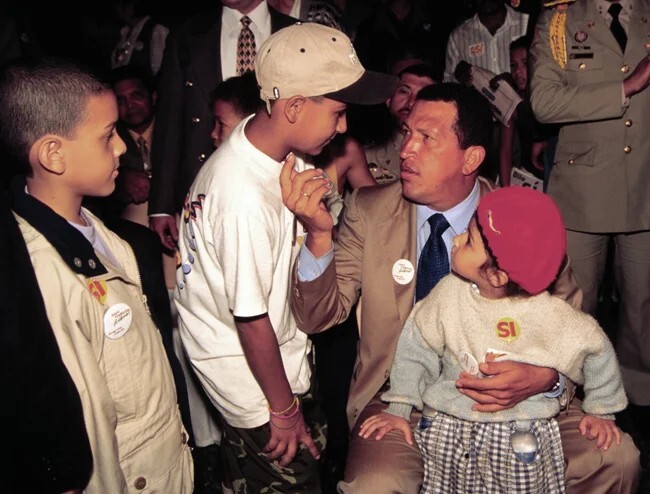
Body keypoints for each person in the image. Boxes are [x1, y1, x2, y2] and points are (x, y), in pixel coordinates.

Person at [281, 82, 640, 493]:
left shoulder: (520, 220)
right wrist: (318, 237)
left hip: (522, 402)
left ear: (471, 158)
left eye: (427, 137)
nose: (406, 149)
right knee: (376, 483)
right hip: (404, 396)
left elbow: (574, 325)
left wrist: (546, 378)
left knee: (617, 460)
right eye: (407, 132)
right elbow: (317, 317)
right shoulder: (369, 210)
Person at [174, 22, 397, 492]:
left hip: (279, 360)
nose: (343, 127)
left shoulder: (272, 148)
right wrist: (282, 409)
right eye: (338, 113)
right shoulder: (243, 198)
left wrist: (318, 231)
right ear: (293, 107)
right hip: (255, 386)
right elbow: (251, 319)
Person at [0, 58, 194, 493]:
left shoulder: (101, 232)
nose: (122, 147)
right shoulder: (43, 277)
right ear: (53, 154)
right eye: (107, 135)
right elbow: (84, 428)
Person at [360, 186, 627, 493]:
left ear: (498, 276)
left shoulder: (549, 314)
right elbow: (416, 348)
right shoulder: (448, 294)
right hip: (449, 433)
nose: (456, 239)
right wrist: (400, 407)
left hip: (520, 444)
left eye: (469, 241)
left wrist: (601, 410)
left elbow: (596, 349)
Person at [530, 0, 650, 435]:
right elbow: (543, 102)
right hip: (582, 191)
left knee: (643, 310)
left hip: (646, 183)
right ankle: (570, 400)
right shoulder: (559, 19)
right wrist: (627, 87)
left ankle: (640, 406)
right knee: (574, 308)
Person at [148, 0, 296, 252]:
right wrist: (161, 206)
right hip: (204, 190)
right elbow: (169, 120)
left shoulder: (296, 34)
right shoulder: (187, 34)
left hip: (281, 187)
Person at [365, 62, 440, 184]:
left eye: (422, 95)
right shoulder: (366, 156)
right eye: (404, 92)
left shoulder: (446, 157)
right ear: (389, 99)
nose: (411, 102)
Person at [498, 35, 558, 186]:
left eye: (525, 64)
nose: (518, 72)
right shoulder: (513, 101)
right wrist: (506, 191)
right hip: (528, 177)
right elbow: (505, 152)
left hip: (556, 173)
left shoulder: (552, 95)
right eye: (513, 65)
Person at [104, 64, 157, 225]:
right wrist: (122, 179)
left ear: (153, 97)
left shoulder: (173, 131)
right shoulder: (107, 138)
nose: (130, 105)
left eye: (136, 95)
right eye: (120, 100)